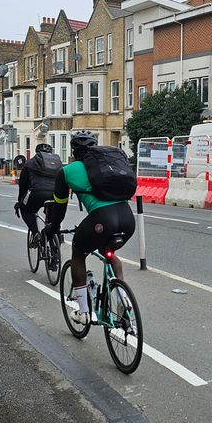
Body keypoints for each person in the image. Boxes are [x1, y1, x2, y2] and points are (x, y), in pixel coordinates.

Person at [44, 131, 136, 325]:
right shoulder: (107, 165)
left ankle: (83, 312)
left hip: (102, 220)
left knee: (78, 252)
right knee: (109, 253)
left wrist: (54, 227)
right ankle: (122, 298)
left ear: (73, 151)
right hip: (127, 219)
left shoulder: (68, 171)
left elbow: (59, 206)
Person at [16, 143, 62, 236]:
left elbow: (23, 185)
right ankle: (56, 235)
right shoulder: (58, 164)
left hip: (36, 194)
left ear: (37, 153)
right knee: (55, 215)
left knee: (25, 210)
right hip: (56, 194)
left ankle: (35, 233)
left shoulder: (30, 163)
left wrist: (20, 201)